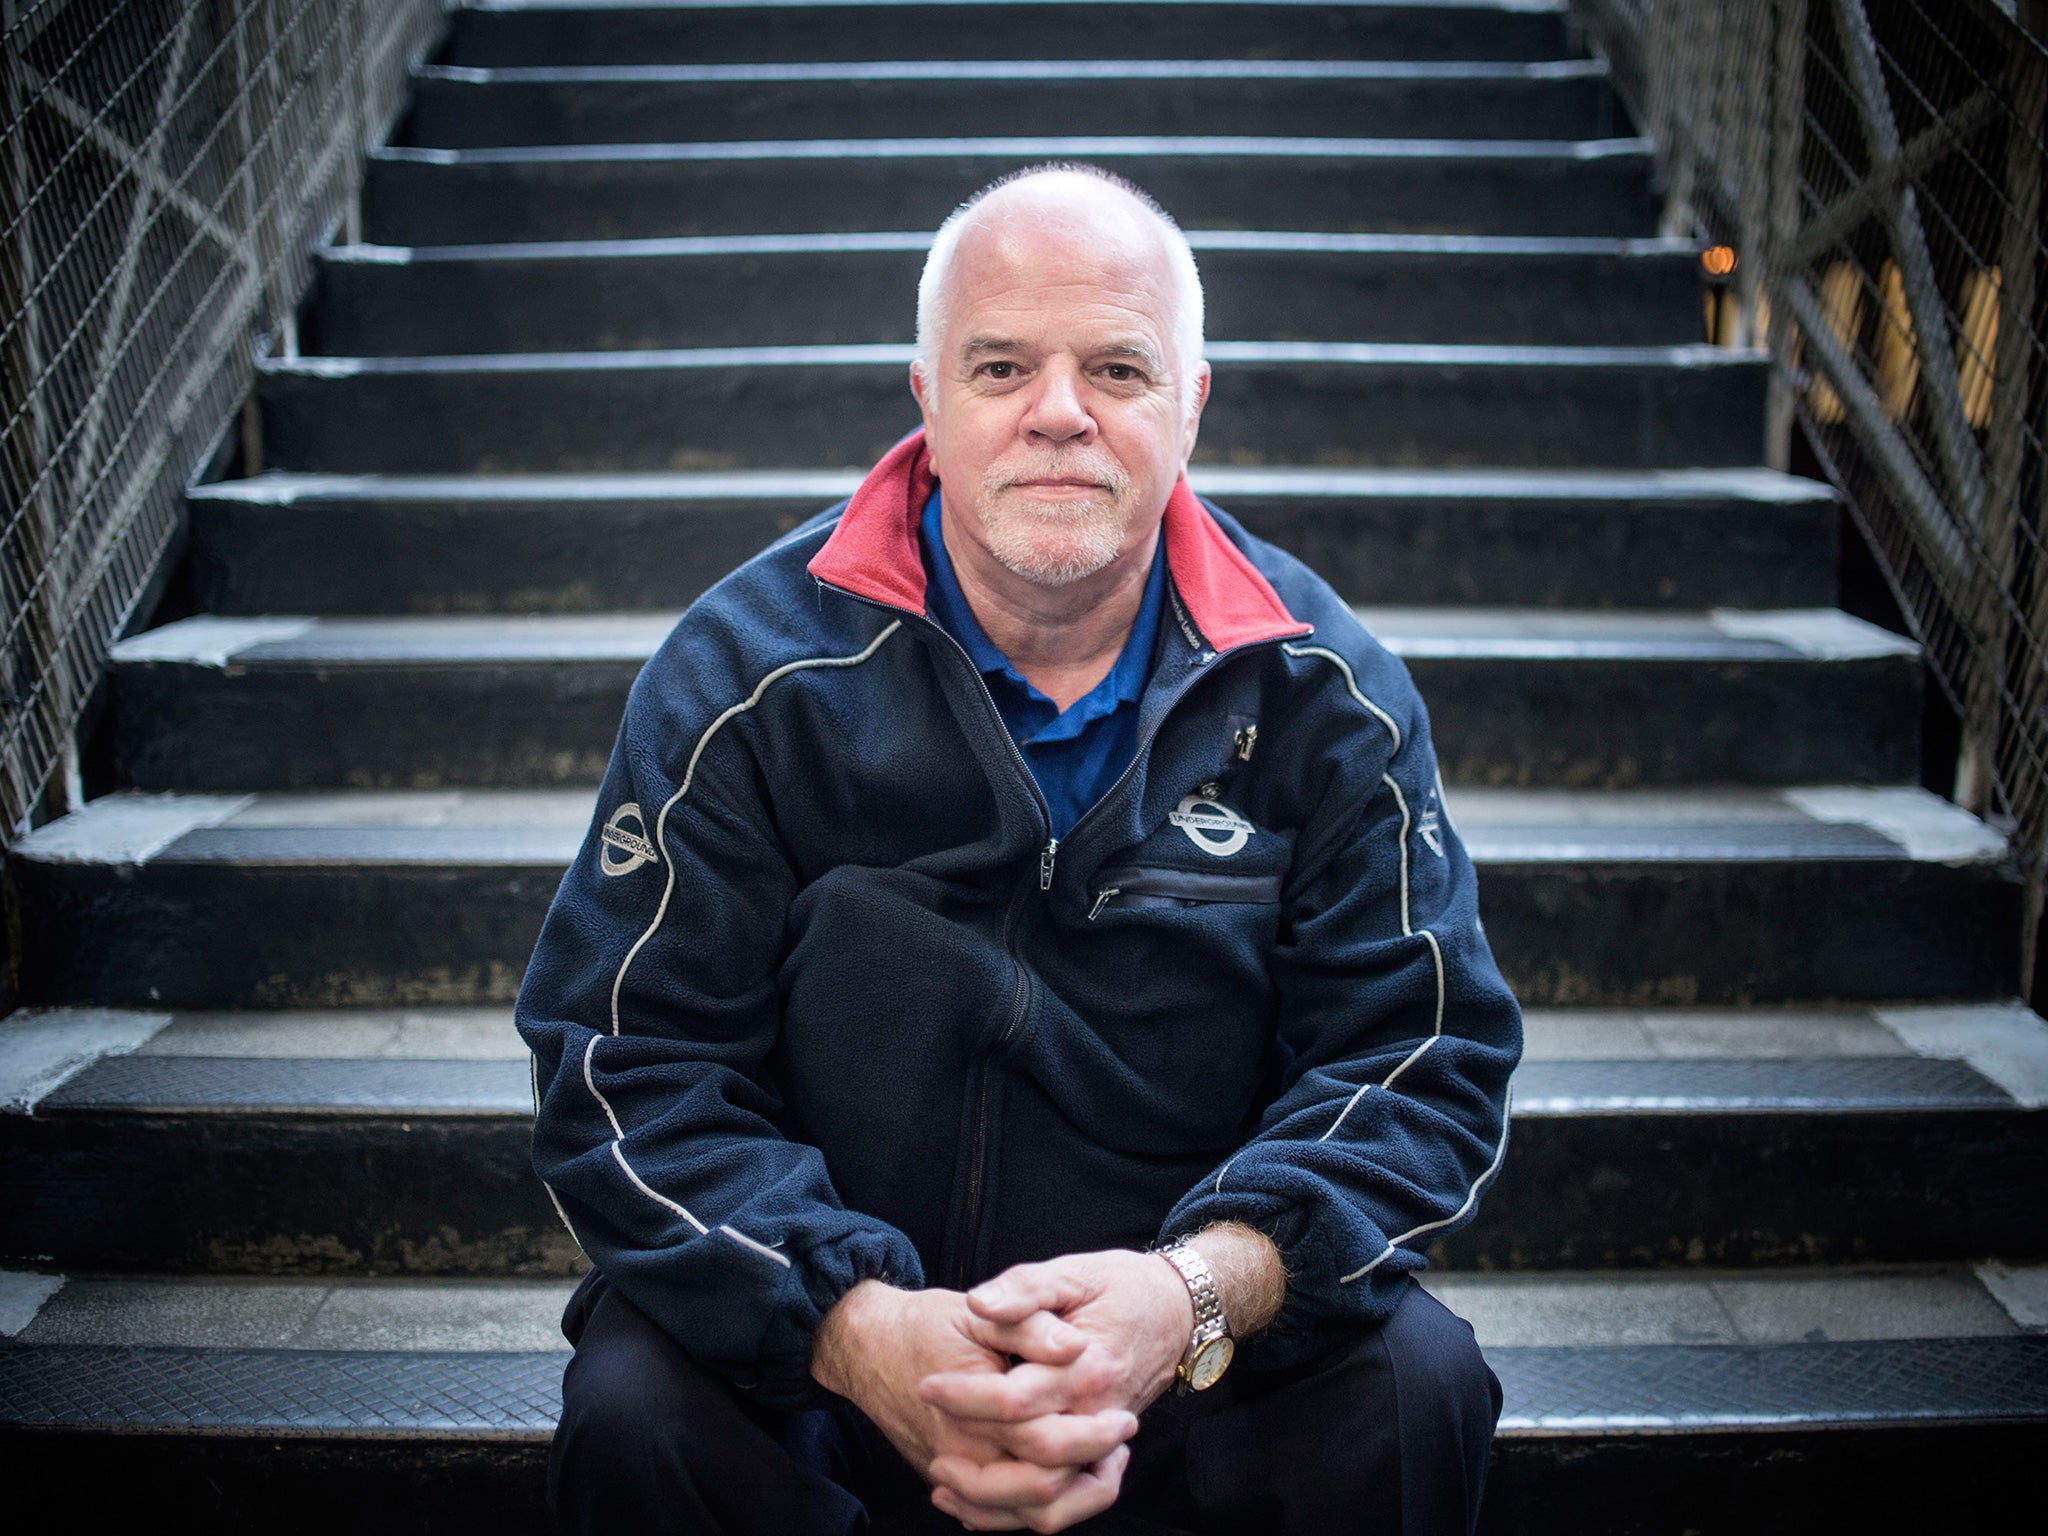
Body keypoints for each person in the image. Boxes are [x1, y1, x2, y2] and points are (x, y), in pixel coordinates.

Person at [517, 163, 1521, 1536]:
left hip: (1188, 1364)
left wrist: (1189, 1296)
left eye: (1117, 368)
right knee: (637, 1409)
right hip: (826, 1359)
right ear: (926, 401)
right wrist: (859, 1328)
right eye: (1001, 368)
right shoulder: (744, 680)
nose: (1060, 412)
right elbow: (624, 1070)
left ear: (1190, 405)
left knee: (1416, 1387)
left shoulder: (1325, 696)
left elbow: (1421, 1059)